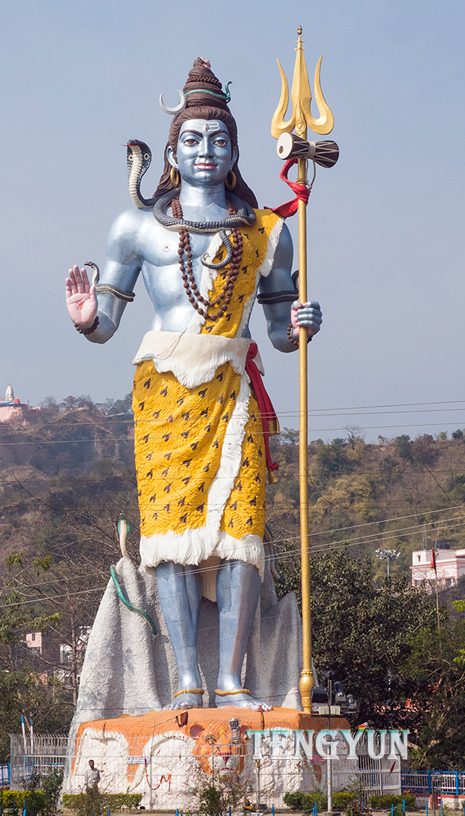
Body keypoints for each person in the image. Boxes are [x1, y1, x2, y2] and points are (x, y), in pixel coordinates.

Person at [65, 59, 322, 712]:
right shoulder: (139, 229)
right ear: (174, 151)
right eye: (192, 140)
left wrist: (300, 323)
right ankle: (187, 676)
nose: (205, 151)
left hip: (233, 390)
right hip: (165, 394)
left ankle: (232, 679)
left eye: (218, 140)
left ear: (235, 150)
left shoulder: (267, 232)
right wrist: (86, 318)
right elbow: (106, 328)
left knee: (242, 534)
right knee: (171, 537)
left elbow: (281, 333)